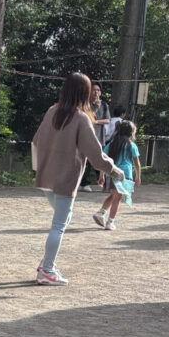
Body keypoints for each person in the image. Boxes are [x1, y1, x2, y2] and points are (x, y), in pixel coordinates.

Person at [32, 73, 123, 286]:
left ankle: (46, 264)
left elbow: (36, 141)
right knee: (59, 224)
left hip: (46, 176)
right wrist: (114, 170)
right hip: (65, 178)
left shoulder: (52, 111)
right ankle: (46, 271)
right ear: (85, 93)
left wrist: (40, 166)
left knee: (64, 218)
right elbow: (95, 152)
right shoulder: (81, 117)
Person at [93, 120, 141, 231]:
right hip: (124, 175)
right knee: (117, 199)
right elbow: (137, 163)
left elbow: (104, 160)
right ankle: (110, 222)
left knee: (113, 195)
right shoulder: (131, 145)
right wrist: (138, 176)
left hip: (111, 173)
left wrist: (101, 176)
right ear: (131, 132)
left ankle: (101, 213)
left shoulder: (112, 143)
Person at [79, 82, 111, 192]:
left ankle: (103, 182)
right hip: (87, 137)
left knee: (100, 160)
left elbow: (107, 120)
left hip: (99, 137)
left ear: (100, 92)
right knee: (86, 162)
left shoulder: (105, 105)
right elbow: (86, 119)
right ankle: (83, 183)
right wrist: (95, 110)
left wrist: (96, 121)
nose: (96, 92)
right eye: (93, 90)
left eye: (98, 90)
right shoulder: (85, 104)